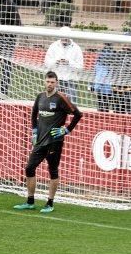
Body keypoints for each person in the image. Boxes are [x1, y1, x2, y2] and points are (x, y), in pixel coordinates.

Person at [14, 71, 82, 213]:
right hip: (40, 141)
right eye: (47, 81)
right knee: (29, 168)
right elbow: (33, 114)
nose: (49, 84)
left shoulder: (61, 98)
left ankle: (50, 203)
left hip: (54, 141)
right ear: (44, 82)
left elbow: (78, 114)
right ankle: (30, 201)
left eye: (52, 82)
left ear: (56, 82)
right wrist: (34, 132)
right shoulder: (40, 97)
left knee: (52, 171)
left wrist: (67, 130)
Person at [44, 26, 84, 104]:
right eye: (62, 37)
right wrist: (56, 61)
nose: (64, 39)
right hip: (56, 80)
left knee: (71, 104)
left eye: (66, 37)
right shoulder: (53, 46)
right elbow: (47, 63)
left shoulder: (76, 48)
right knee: (54, 103)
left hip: (71, 80)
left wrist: (69, 63)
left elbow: (80, 67)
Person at [111, 44, 131, 115]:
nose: (125, 46)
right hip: (118, 85)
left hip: (130, 86)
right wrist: (113, 84)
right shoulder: (119, 53)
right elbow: (114, 69)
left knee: (130, 107)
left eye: (128, 44)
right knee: (118, 108)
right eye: (124, 44)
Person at [92, 43, 115, 112]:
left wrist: (95, 87)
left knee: (102, 105)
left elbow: (98, 75)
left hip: (105, 87)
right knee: (104, 105)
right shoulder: (101, 62)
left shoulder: (101, 63)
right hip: (107, 88)